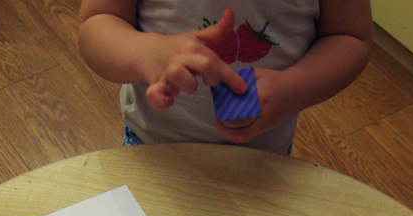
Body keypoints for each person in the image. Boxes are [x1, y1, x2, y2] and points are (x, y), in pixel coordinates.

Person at [77, 1, 372, 155]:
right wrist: (151, 52)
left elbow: (350, 36)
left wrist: (292, 88)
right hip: (153, 147)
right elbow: (96, 22)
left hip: (264, 157)